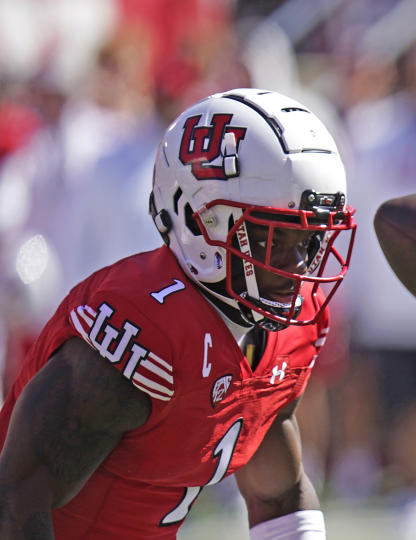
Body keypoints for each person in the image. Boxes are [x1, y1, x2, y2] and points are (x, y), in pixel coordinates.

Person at [0, 88, 356, 539]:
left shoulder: (283, 331)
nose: (299, 266)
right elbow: (17, 497)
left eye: (309, 241)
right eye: (275, 239)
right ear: (197, 221)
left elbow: (278, 497)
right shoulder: (142, 328)